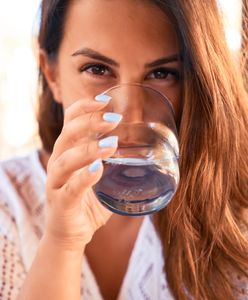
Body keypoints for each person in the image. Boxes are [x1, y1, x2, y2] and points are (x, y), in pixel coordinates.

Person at [0, 0, 247, 299]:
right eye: (97, 68)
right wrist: (62, 242)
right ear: (53, 75)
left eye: (162, 73)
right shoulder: (7, 208)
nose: (131, 113)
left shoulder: (236, 216)